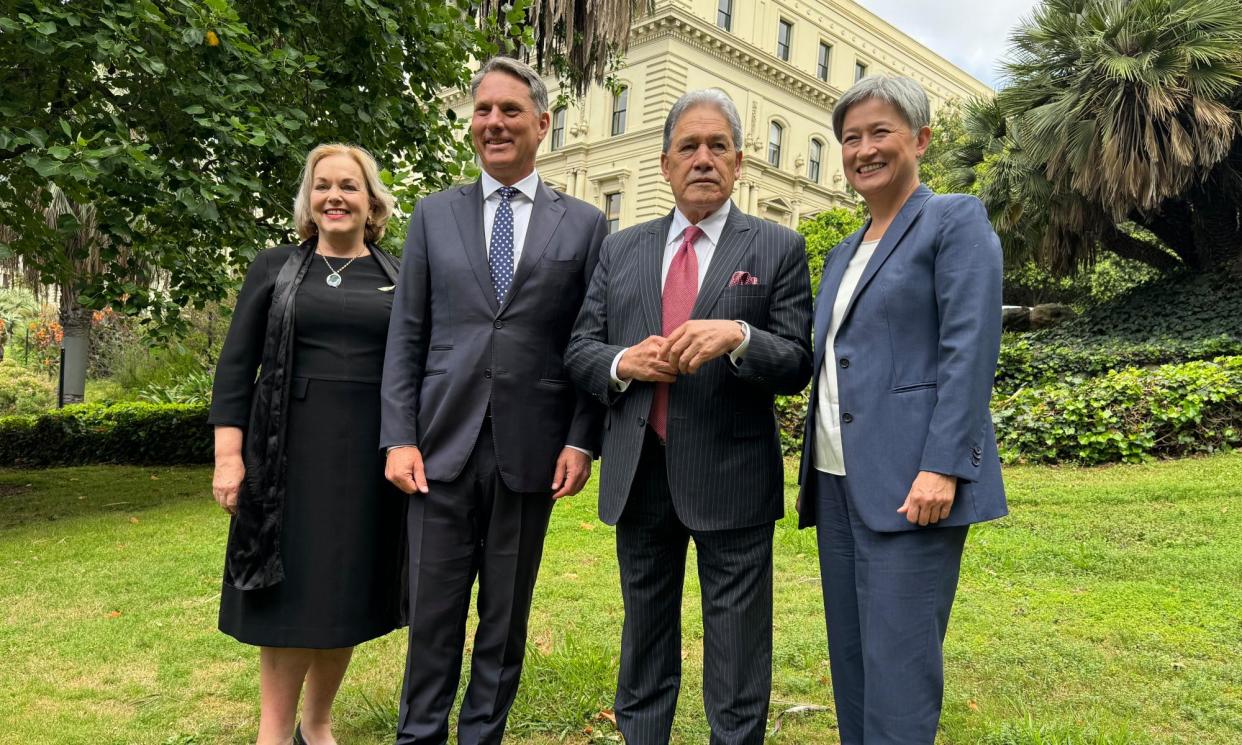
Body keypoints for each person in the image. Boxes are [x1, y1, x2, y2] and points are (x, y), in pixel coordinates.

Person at [565, 89, 813, 745]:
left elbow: (796, 361)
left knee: (737, 648)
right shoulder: (621, 250)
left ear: (738, 163)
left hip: (733, 474)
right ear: (665, 163)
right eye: (688, 147)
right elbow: (580, 349)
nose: (703, 159)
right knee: (643, 634)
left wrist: (739, 336)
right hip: (639, 470)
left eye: (717, 147)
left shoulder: (777, 248)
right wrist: (624, 362)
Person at [380, 56, 607, 745]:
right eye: (483, 110)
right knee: (433, 614)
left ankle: (483, 735)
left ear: (542, 124)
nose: (494, 123)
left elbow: (588, 340)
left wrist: (581, 437)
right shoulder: (433, 215)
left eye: (511, 111)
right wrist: (398, 434)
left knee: (505, 618)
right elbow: (408, 331)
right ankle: (419, 734)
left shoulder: (585, 225)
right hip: (438, 449)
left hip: (531, 453)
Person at [796, 75, 1008, 745]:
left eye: (880, 131)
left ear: (920, 139)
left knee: (900, 671)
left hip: (915, 484)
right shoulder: (839, 254)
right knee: (854, 663)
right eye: (850, 138)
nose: (863, 149)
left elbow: (968, 350)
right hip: (836, 484)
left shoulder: (953, 220)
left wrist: (942, 466)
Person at [209, 143, 406, 745]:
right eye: (323, 186)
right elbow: (236, 368)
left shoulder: (399, 274)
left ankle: (316, 724)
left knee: (343, 594)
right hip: (286, 458)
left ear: (371, 200)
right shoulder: (275, 267)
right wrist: (228, 457)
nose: (335, 197)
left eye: (349, 186)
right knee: (287, 596)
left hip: (370, 459)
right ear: (308, 199)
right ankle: (274, 733)